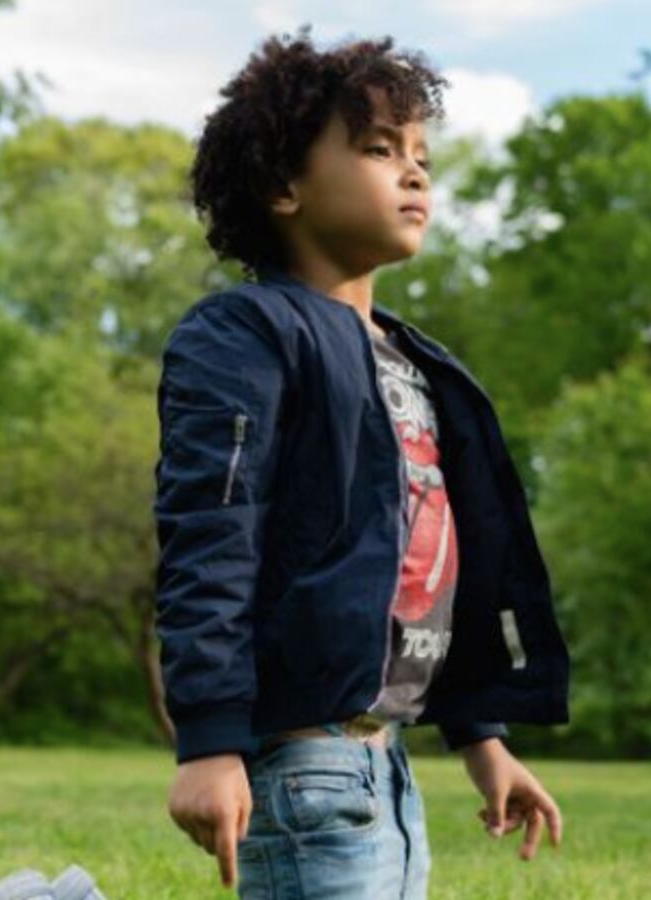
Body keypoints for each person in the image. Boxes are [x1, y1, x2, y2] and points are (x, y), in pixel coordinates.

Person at [155, 24, 570, 898]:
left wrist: (482, 737)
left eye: (420, 155)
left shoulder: (417, 365)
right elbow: (212, 535)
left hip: (387, 766)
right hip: (304, 765)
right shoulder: (247, 335)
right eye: (380, 149)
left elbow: (448, 567)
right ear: (284, 185)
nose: (414, 173)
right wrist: (210, 739)